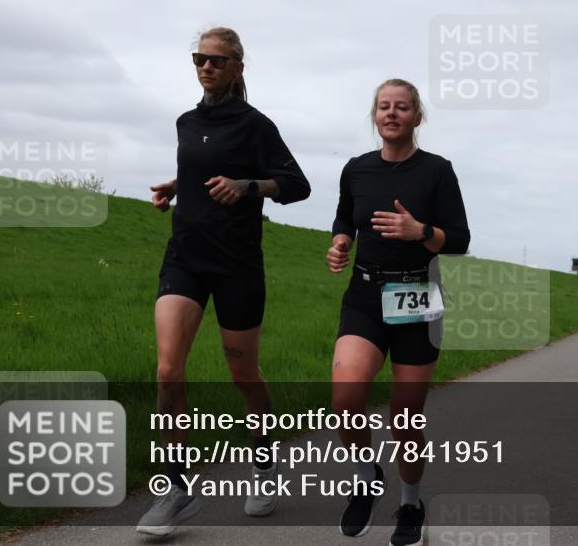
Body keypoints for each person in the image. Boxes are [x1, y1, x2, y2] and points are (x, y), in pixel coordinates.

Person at [137, 27, 311, 536]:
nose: (206, 67)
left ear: (237, 67)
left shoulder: (256, 125)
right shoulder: (186, 121)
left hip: (237, 265)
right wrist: (178, 185)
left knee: (243, 377)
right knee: (169, 369)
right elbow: (199, 165)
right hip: (184, 259)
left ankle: (263, 462)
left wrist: (248, 185)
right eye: (199, 58)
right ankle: (175, 487)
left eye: (217, 60)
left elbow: (297, 184)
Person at [326, 79, 470, 546]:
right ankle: (366, 475)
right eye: (384, 107)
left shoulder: (436, 172)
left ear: (417, 117)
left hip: (417, 298)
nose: (392, 114)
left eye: (402, 107)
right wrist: (340, 241)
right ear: (375, 115)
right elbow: (345, 215)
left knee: (404, 417)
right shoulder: (357, 170)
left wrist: (419, 230)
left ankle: (410, 503)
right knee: (346, 397)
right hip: (365, 294)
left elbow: (460, 240)